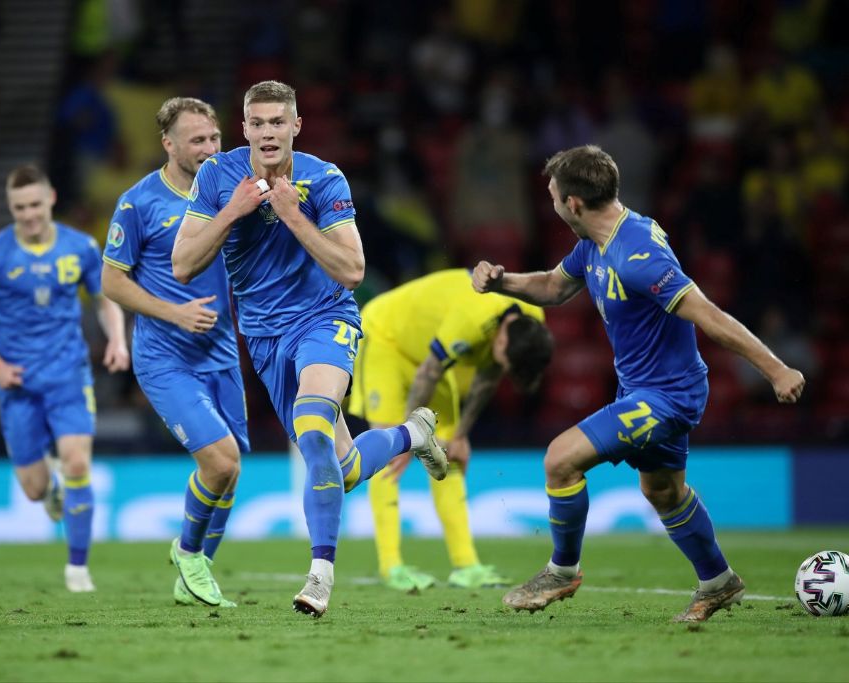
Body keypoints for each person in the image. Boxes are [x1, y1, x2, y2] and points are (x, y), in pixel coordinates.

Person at [472, 145, 805, 622]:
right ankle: (719, 581)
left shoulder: (639, 255)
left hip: (667, 397)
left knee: (560, 459)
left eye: (551, 195)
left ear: (573, 204)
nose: (550, 203)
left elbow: (708, 315)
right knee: (663, 492)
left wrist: (776, 368)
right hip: (642, 391)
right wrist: (500, 282)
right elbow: (552, 286)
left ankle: (562, 571)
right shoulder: (594, 243)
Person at [172, 80, 449, 618]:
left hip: (325, 319)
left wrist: (292, 214)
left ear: (296, 126)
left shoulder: (324, 179)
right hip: (265, 336)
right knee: (340, 468)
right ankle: (413, 433)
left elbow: (352, 270)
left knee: (314, 428)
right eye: (258, 123)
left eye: (279, 122)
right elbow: (183, 264)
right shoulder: (217, 177)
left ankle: (320, 575)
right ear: (245, 128)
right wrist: (233, 212)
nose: (269, 132)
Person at [101, 97, 247, 608]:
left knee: (231, 470)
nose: (210, 150)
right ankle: (188, 553)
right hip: (166, 357)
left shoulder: (235, 186)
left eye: (214, 138)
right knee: (221, 461)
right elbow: (112, 284)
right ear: (169, 144)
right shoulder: (139, 202)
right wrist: (174, 312)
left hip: (223, 354)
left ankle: (196, 574)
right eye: (197, 141)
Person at [0, 164, 129, 592]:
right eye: (20, 207)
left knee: (77, 462)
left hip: (68, 375)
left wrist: (117, 340)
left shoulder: (82, 248)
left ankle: (77, 568)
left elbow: (105, 300)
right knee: (34, 491)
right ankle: (49, 490)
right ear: (10, 207)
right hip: (16, 384)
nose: (29, 214)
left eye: (35, 204)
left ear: (50, 198)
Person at [347, 269, 553, 591]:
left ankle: (466, 565)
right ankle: (392, 566)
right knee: (390, 455)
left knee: (451, 453)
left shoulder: (530, 320)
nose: (501, 364)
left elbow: (489, 374)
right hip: (386, 336)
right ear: (501, 336)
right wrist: (404, 437)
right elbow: (431, 372)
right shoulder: (473, 318)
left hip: (429, 357)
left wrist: (460, 434)